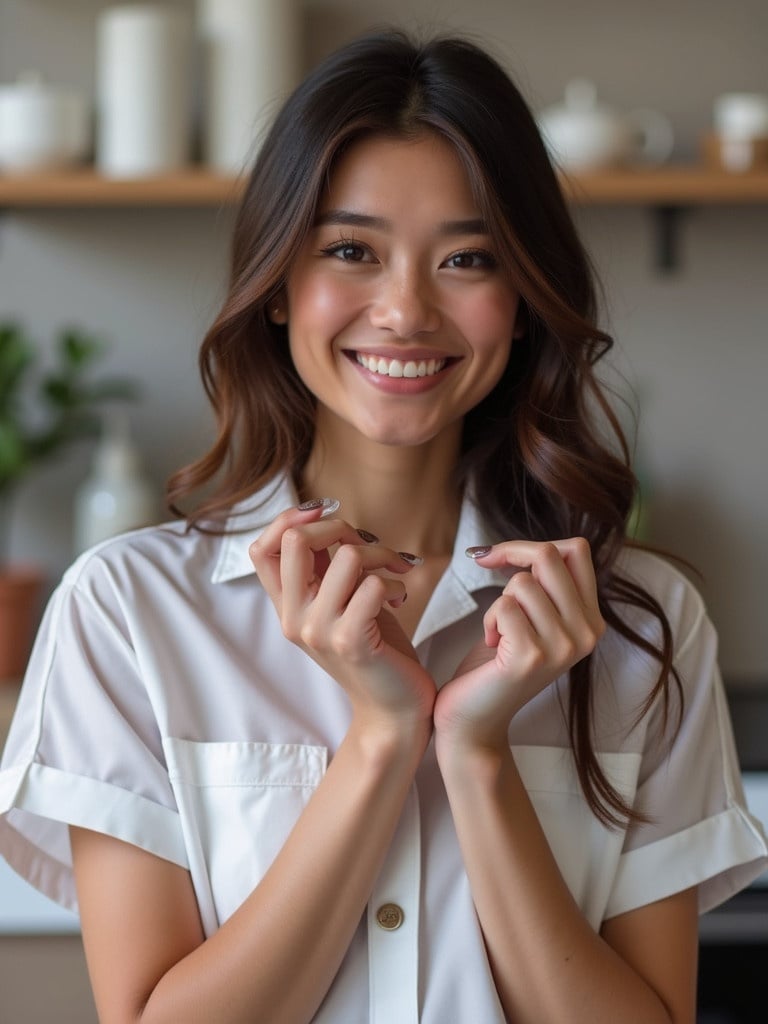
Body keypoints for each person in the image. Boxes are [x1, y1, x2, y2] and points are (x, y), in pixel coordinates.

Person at [1, 29, 766, 1024]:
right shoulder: (129, 612)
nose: (405, 309)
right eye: (351, 250)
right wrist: (382, 738)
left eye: (467, 257)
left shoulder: (642, 623)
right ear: (278, 285)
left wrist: (478, 754)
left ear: (524, 301)